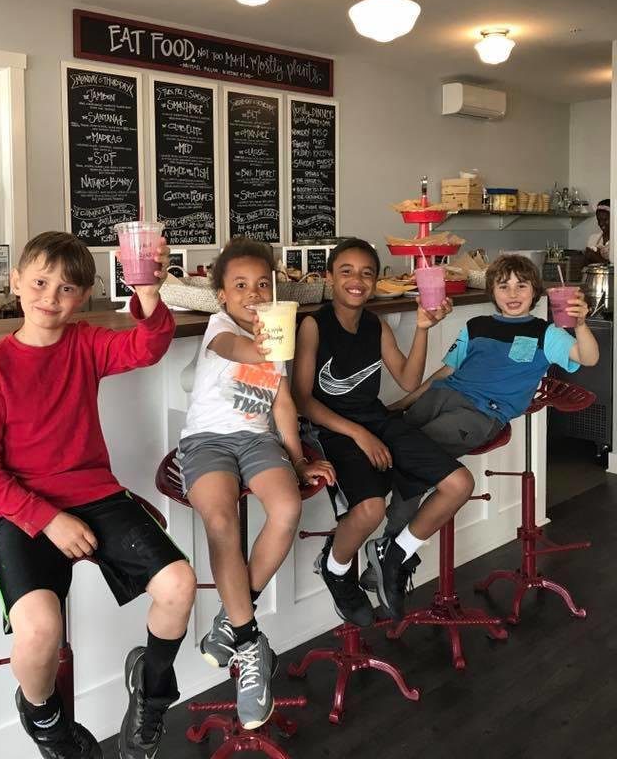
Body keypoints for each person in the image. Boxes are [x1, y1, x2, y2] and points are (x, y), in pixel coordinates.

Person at [0, 231, 196, 759]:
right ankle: (43, 715)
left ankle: (151, 692)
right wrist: (46, 519)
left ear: (84, 295)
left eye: (67, 289)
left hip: (96, 493)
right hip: (23, 511)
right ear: (17, 280)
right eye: (40, 282)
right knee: (41, 629)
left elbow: (147, 346)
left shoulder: (86, 343)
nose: (50, 297)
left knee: (179, 584)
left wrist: (150, 293)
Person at [360, 253, 599, 591]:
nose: (513, 293)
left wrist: (581, 324)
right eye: (504, 286)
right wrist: (401, 404)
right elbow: (445, 373)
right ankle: (391, 551)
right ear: (492, 291)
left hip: (482, 413)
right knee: (395, 448)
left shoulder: (546, 333)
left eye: (522, 285)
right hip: (440, 397)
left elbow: (587, 357)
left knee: (413, 458)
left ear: (536, 292)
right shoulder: (476, 327)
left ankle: (391, 547)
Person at [178, 238, 335, 730]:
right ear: (221, 295)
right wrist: (269, 342)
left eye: (262, 284)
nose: (252, 293)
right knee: (222, 520)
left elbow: (282, 403)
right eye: (239, 285)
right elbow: (242, 349)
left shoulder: (275, 334)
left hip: (256, 440)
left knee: (287, 509)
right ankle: (250, 645)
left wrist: (297, 459)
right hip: (206, 442)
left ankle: (229, 622)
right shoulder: (220, 329)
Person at [291, 237, 474, 625]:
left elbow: (409, 381)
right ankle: (336, 570)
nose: (357, 281)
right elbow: (302, 400)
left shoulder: (375, 325)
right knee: (371, 509)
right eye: (346, 272)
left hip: (376, 420)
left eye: (366, 273)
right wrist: (358, 434)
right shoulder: (313, 325)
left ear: (375, 281)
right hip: (331, 429)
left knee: (459, 484)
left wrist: (423, 328)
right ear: (329, 278)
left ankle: (395, 553)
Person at [584, 199, 610, 264]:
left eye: (605, 219)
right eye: (599, 220)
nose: (601, 223)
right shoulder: (593, 238)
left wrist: (595, 257)